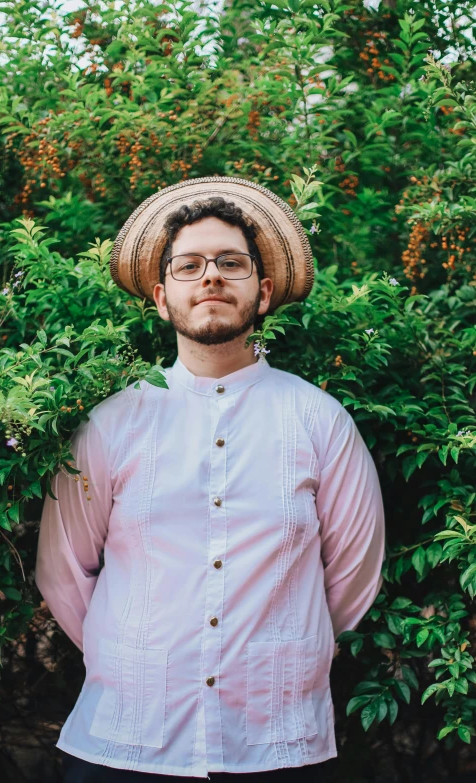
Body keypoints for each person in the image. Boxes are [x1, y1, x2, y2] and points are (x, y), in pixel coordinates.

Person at [35, 177, 386, 782]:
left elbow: (353, 575)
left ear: (265, 290)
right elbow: (63, 569)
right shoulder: (111, 425)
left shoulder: (319, 421)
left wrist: (288, 652)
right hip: (126, 739)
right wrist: (132, 662)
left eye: (231, 262)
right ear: (163, 296)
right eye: (189, 265)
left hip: (278, 742)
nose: (211, 277)